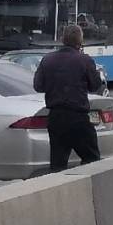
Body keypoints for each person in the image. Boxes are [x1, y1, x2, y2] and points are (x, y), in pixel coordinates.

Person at [33, 24, 103, 173]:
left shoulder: (48, 60)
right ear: (80, 41)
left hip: (56, 118)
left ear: (62, 40)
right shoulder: (84, 60)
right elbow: (95, 86)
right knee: (92, 159)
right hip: (78, 117)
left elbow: (38, 86)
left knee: (58, 164)